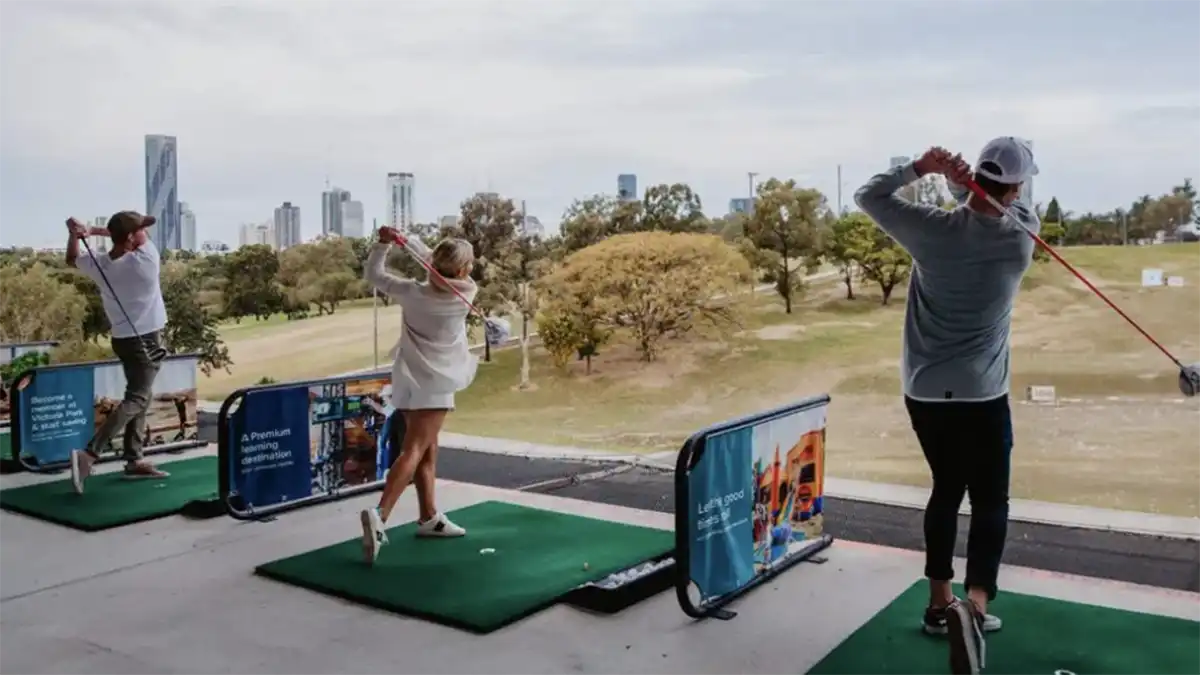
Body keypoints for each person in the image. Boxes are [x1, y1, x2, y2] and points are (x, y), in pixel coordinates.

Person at [854, 137, 1040, 675]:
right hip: (983, 394)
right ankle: (974, 608)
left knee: (946, 489)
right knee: (990, 500)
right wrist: (966, 184)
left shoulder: (930, 230)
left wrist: (923, 168)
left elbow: (869, 196)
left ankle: (940, 605)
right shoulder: (1021, 237)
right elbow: (993, 207)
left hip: (926, 391)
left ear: (978, 175)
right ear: (1017, 187)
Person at [358, 226, 479, 564]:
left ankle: (429, 517)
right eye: (469, 263)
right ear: (463, 270)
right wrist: (409, 243)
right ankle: (380, 516)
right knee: (413, 450)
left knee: (427, 448)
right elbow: (432, 263)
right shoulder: (467, 292)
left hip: (408, 378)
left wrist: (386, 244)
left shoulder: (411, 292)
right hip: (435, 383)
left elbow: (375, 274)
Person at [64, 212, 171, 493]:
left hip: (123, 339)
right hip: (146, 339)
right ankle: (90, 453)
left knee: (141, 395)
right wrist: (93, 230)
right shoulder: (146, 260)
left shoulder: (101, 265)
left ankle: (134, 459)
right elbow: (140, 237)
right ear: (132, 238)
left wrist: (76, 235)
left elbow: (72, 259)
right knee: (137, 398)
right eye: (139, 230)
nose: (144, 232)